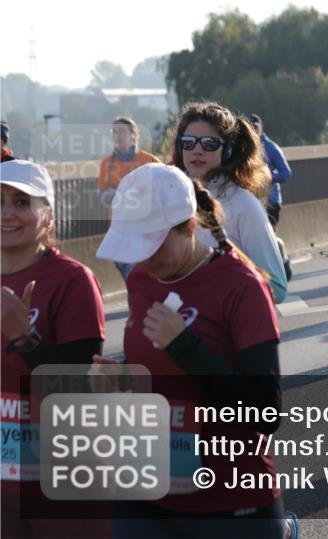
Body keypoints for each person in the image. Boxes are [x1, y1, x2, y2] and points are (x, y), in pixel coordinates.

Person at [91, 163, 297, 539]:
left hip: (230, 500)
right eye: (133, 247)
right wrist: (119, 380)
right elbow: (157, 378)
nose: (145, 259)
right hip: (146, 493)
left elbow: (264, 412)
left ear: (189, 225)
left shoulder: (242, 286)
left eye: (151, 245)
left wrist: (185, 346)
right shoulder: (140, 279)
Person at [2, 159, 108, 539]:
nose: (7, 213)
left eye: (21, 202)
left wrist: (25, 339)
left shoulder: (72, 280)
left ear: (47, 217)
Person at [169, 102, 288, 303]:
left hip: (226, 330)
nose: (197, 150)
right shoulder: (169, 197)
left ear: (227, 149)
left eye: (209, 143)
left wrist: (213, 288)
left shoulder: (243, 204)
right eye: (188, 142)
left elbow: (276, 287)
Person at [97, 116, 162, 282]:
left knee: (141, 278)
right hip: (119, 228)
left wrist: (119, 193)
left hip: (146, 228)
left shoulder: (150, 161)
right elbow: (102, 196)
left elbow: (163, 190)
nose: (117, 135)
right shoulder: (107, 164)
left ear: (134, 134)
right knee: (130, 275)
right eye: (114, 131)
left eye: (122, 131)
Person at [247, 115, 292, 227]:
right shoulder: (244, 148)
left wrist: (267, 176)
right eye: (249, 127)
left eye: (255, 127)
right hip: (250, 201)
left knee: (268, 236)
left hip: (270, 201)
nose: (253, 130)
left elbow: (286, 174)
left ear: (262, 128)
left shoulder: (271, 148)